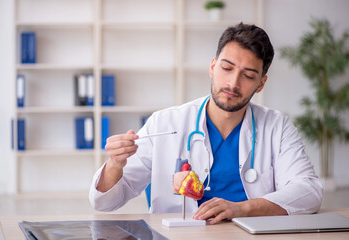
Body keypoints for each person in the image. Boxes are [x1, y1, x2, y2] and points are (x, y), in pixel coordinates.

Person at [89, 23, 323, 225]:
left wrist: (242, 209)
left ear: (261, 84)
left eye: (248, 76)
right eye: (226, 68)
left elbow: (309, 192)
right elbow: (104, 202)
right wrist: (114, 165)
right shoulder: (165, 122)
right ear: (212, 67)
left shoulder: (276, 126)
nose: (233, 83)